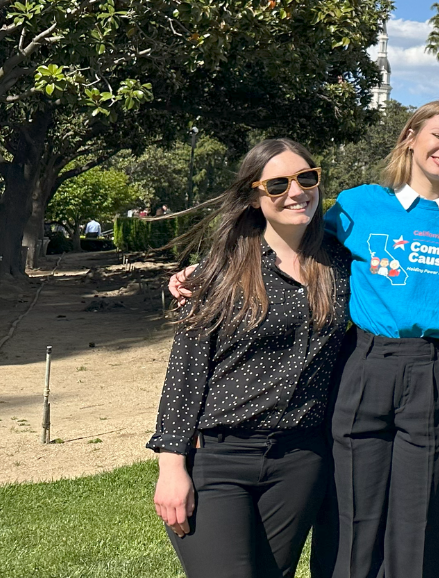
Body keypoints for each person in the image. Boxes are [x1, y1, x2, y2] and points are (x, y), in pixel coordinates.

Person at [149, 139, 352, 578]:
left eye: (306, 178)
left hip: (300, 460)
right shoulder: (221, 270)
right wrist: (171, 467)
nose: (296, 192)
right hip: (219, 459)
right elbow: (185, 372)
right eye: (278, 184)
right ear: (254, 197)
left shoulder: (341, 264)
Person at [327, 99, 439, 578]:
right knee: (352, 512)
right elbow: (290, 246)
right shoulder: (358, 205)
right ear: (411, 137)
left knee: (424, 514)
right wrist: (204, 273)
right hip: (364, 362)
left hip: (435, 370)